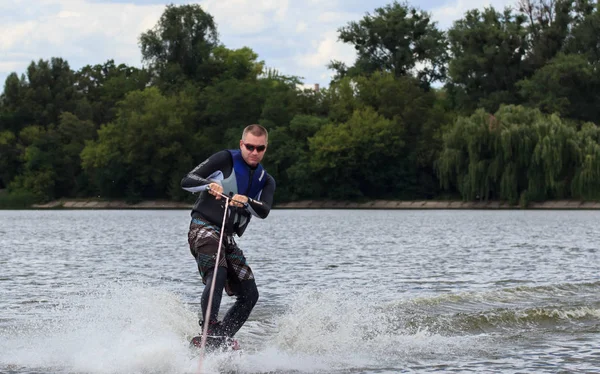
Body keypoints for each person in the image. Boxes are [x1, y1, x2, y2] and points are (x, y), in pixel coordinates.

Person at [181, 124, 276, 350]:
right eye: (250, 147)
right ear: (242, 144)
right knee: (218, 270)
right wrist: (208, 184)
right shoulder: (224, 159)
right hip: (203, 227)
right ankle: (209, 327)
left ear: (265, 149)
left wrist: (247, 201)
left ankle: (221, 337)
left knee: (250, 294)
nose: (254, 152)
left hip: (227, 237)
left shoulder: (267, 180)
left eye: (260, 148)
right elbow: (187, 180)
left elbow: (263, 210)